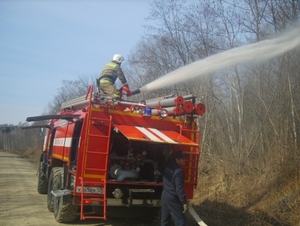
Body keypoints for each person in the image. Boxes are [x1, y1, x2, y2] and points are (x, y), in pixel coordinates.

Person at [161, 150, 188, 226]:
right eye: (182, 159)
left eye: (184, 158)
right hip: (172, 198)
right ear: (177, 160)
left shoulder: (168, 167)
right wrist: (184, 202)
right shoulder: (179, 172)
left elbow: (160, 173)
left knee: (165, 221)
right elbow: (179, 190)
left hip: (165, 195)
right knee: (181, 222)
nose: (184, 160)